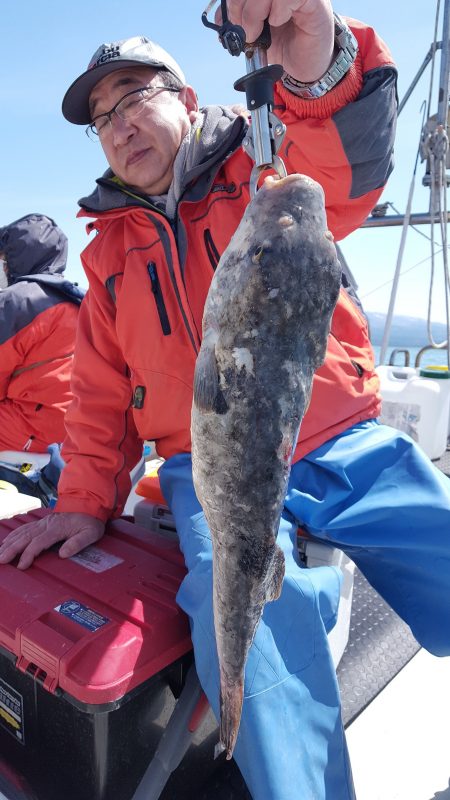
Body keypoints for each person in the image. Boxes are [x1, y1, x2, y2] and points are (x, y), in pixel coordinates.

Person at [1, 3, 449, 798]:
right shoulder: (107, 257)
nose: (118, 127)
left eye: (134, 97)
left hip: (340, 439)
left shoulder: (265, 167)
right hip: (205, 468)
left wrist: (318, 64)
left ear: (186, 97)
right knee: (242, 619)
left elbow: (338, 173)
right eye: (101, 120)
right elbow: (99, 401)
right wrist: (80, 501)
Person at [0, 214, 85, 453]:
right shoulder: (76, 299)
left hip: (33, 427)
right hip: (78, 426)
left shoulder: (17, 300)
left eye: (6, 259)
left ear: (19, 258)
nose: (4, 267)